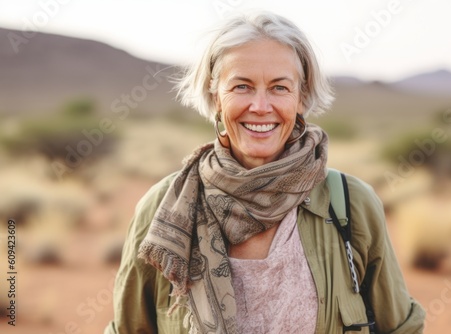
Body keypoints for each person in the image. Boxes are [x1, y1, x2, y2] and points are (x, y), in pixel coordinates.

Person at [104, 11, 425, 334]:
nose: (260, 106)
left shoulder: (351, 204)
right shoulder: (164, 207)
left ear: (301, 97)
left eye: (279, 88)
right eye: (242, 86)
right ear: (216, 97)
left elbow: (401, 329)